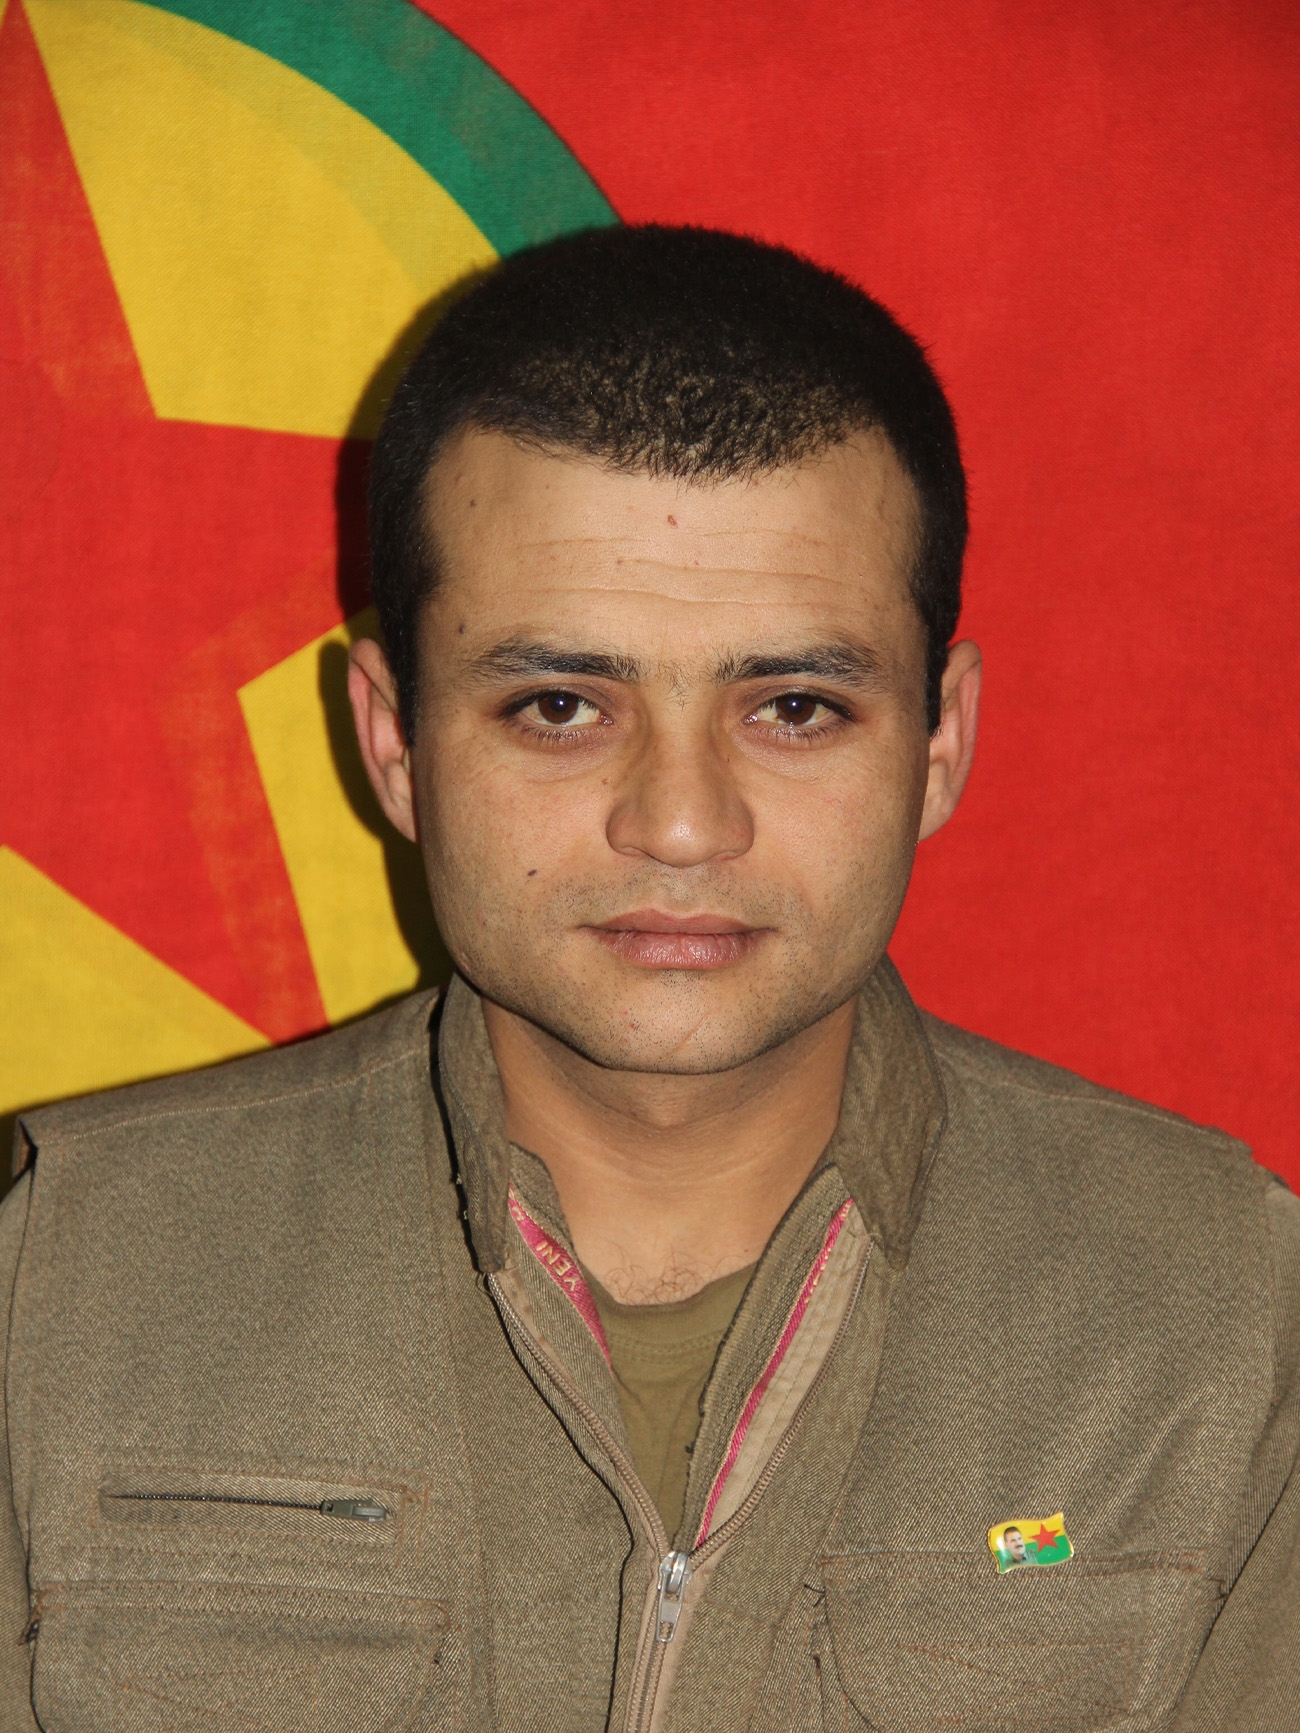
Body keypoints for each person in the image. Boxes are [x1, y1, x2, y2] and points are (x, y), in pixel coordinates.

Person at [1, 225, 1296, 1733]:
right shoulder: (58, 1283)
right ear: (394, 741)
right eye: (561, 704)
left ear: (940, 742)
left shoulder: (1225, 1318)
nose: (681, 824)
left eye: (794, 707)